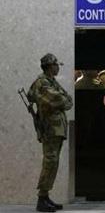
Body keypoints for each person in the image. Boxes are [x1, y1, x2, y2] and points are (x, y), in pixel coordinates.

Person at [28, 53, 73, 212]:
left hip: (56, 128)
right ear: (49, 66)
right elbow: (61, 100)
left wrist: (64, 100)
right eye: (56, 65)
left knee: (53, 162)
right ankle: (42, 199)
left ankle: (45, 196)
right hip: (50, 128)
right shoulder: (42, 83)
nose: (58, 67)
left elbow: (68, 101)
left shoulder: (51, 82)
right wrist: (63, 100)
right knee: (50, 161)